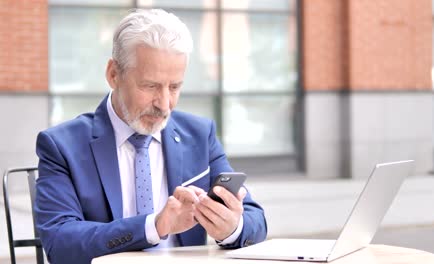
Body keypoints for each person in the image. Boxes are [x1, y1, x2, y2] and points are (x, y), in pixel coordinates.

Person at [34, 9, 267, 264]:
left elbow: (255, 219)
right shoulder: (61, 146)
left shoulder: (199, 135)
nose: (165, 104)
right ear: (113, 74)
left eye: (175, 87)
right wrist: (153, 226)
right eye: (150, 86)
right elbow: (60, 243)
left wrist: (231, 227)